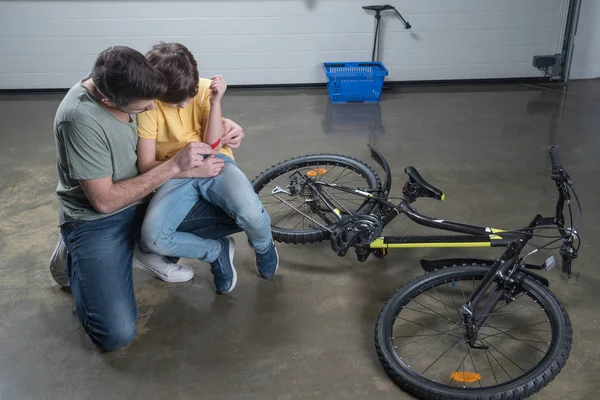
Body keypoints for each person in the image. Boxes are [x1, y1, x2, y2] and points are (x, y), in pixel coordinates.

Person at [49, 45, 246, 352]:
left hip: (148, 197)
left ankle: (145, 246)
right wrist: (174, 166)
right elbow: (104, 202)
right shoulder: (79, 120)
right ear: (107, 100)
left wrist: (224, 122)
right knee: (116, 334)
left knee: (242, 211)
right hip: (100, 218)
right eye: (143, 109)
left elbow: (177, 100)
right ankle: (74, 250)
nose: (153, 110)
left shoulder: (127, 75)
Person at [136, 42, 278, 295]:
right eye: (176, 102)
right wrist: (190, 171)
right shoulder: (150, 105)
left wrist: (216, 102)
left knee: (252, 214)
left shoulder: (201, 88)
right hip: (173, 171)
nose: (184, 105)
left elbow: (212, 144)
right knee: (153, 238)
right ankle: (215, 251)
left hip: (214, 162)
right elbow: (147, 165)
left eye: (188, 98)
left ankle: (265, 247)